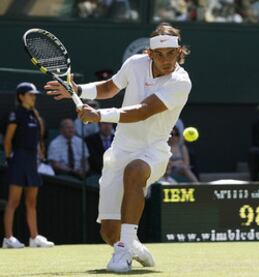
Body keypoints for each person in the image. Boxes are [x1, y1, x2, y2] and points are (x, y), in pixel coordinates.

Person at [45, 22, 191, 272]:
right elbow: (110, 87)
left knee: (134, 171)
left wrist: (99, 116)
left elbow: (144, 111)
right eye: (160, 54)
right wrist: (78, 90)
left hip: (153, 151)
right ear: (150, 54)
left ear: (179, 53)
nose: (166, 60)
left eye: (171, 54)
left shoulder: (180, 81)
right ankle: (132, 246)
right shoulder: (135, 64)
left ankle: (124, 250)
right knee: (109, 232)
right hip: (120, 149)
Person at [2, 82, 54, 248]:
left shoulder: (34, 116)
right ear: (21, 96)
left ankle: (34, 237)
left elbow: (39, 140)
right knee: (13, 201)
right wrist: (11, 159)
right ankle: (8, 238)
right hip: (18, 160)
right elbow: (8, 140)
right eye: (30, 94)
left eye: (34, 95)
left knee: (31, 202)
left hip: (32, 161)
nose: (34, 97)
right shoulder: (16, 115)